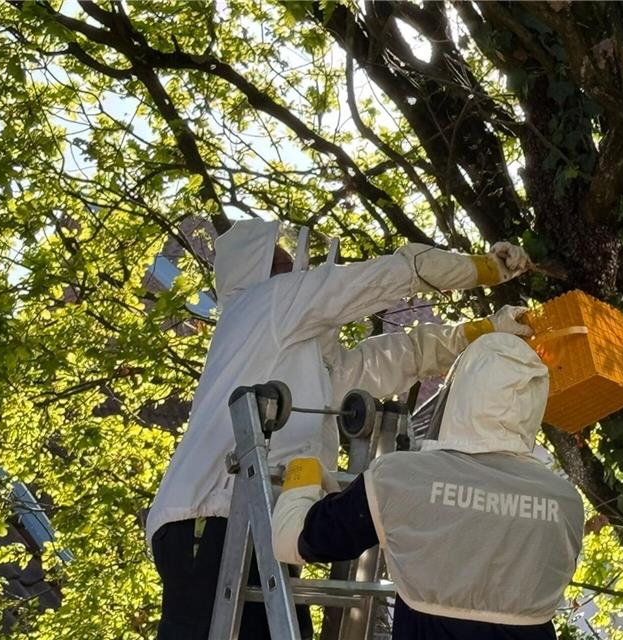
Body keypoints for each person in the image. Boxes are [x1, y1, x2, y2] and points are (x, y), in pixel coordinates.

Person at [146, 219, 534, 640]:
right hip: (212, 519)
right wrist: (481, 268)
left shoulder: (311, 357)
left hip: (261, 525)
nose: (299, 271)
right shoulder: (260, 305)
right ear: (256, 273)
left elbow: (401, 357)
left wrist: (484, 332)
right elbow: (377, 280)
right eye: (282, 264)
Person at [272, 332, 585, 640]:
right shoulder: (566, 501)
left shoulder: (402, 478)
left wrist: (305, 470)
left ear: (461, 390)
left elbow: (290, 541)